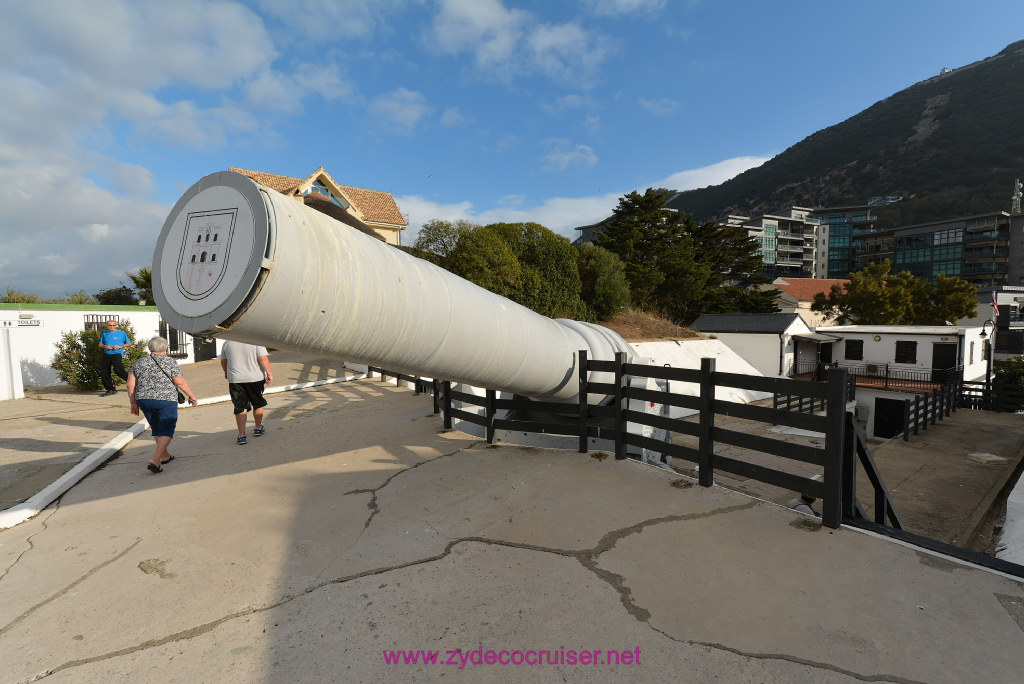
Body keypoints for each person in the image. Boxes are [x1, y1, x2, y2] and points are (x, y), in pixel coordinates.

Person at [127, 337, 197, 473]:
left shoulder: (139, 362)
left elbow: (130, 384)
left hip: (144, 399)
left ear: (150, 348)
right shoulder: (170, 361)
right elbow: (179, 382)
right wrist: (192, 395)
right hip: (166, 400)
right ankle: (155, 459)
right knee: (166, 429)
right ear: (165, 348)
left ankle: (165, 456)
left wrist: (133, 402)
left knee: (157, 428)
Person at [220, 341, 273, 445]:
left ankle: (241, 435)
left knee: (240, 406)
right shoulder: (255, 341)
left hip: (236, 379)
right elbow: (263, 358)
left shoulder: (227, 343)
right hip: (255, 378)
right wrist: (269, 373)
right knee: (257, 403)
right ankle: (258, 428)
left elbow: (223, 361)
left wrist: (226, 372)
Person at [98, 319, 132, 396]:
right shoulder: (104, 333)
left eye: (113, 325)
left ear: (116, 326)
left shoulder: (121, 333)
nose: (112, 327)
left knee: (118, 370)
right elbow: (100, 345)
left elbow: (129, 343)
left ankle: (132, 382)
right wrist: (105, 346)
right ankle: (110, 389)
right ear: (107, 326)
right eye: (110, 325)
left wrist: (120, 346)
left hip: (117, 353)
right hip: (107, 354)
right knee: (104, 372)